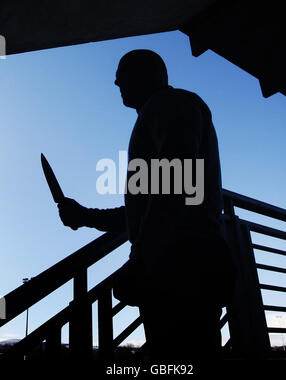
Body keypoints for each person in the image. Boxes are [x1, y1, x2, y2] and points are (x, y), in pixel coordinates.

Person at [58, 49, 235, 362]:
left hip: (181, 267)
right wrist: (85, 216)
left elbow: (174, 186)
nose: (116, 83)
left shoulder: (167, 105)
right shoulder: (165, 111)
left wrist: (141, 256)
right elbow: (150, 205)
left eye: (123, 75)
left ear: (150, 74)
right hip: (181, 265)